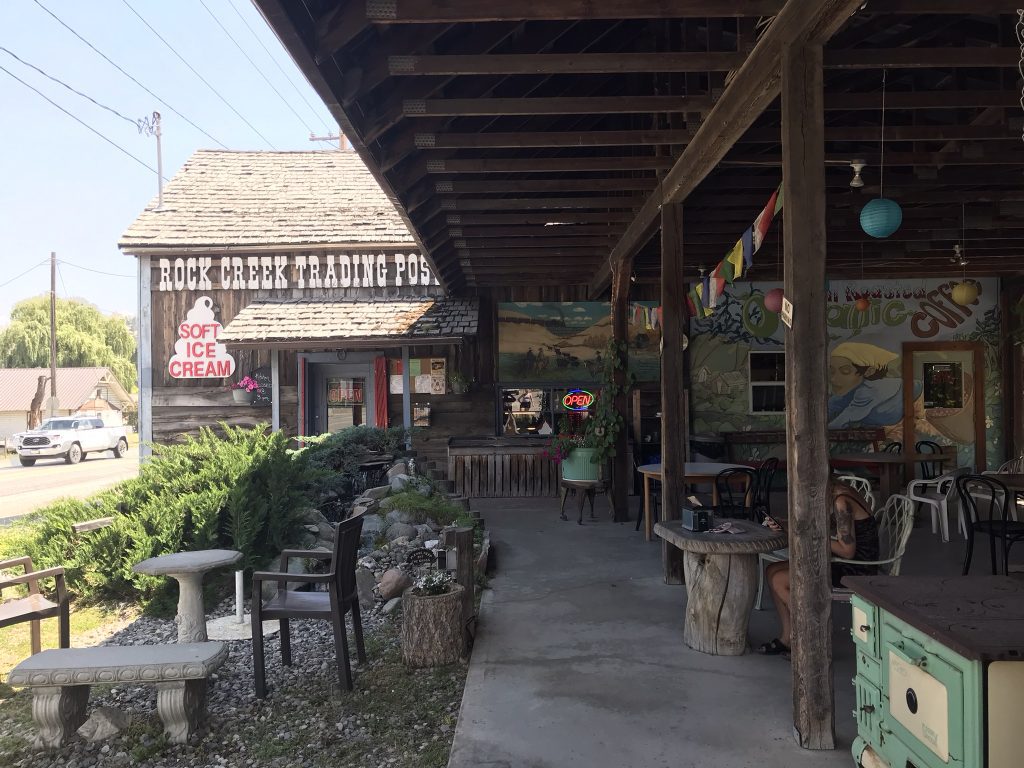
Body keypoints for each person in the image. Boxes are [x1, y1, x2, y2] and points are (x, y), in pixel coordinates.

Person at [758, 477, 880, 656]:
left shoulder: (841, 502)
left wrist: (808, 535)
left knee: (779, 580)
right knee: (771, 570)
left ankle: (810, 636)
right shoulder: (837, 490)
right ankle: (787, 638)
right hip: (840, 562)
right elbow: (828, 527)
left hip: (855, 569)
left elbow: (847, 551)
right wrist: (786, 525)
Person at [827, 342, 902, 429]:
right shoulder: (851, 388)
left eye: (845, 371)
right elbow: (831, 406)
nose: (833, 379)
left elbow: (842, 420)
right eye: (832, 372)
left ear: (869, 371)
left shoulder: (870, 389)